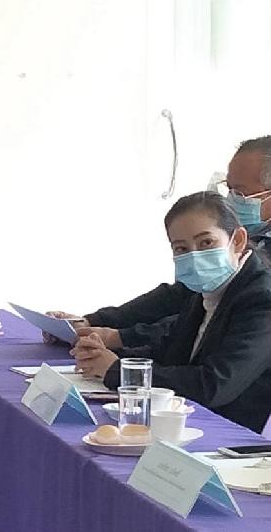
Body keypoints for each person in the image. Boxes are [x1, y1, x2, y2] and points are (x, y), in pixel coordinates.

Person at [72, 191, 271, 433]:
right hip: (180, 421)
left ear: (237, 240)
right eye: (181, 248)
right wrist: (103, 356)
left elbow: (213, 385)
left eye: (206, 243)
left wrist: (118, 371)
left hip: (229, 435)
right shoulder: (205, 288)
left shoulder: (262, 299)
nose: (194, 257)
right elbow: (170, 352)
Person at [47, 135, 271, 349]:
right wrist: (92, 322)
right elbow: (179, 297)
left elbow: (186, 327)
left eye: (239, 193)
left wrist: (119, 338)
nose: (230, 200)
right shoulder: (245, 236)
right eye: (228, 188)